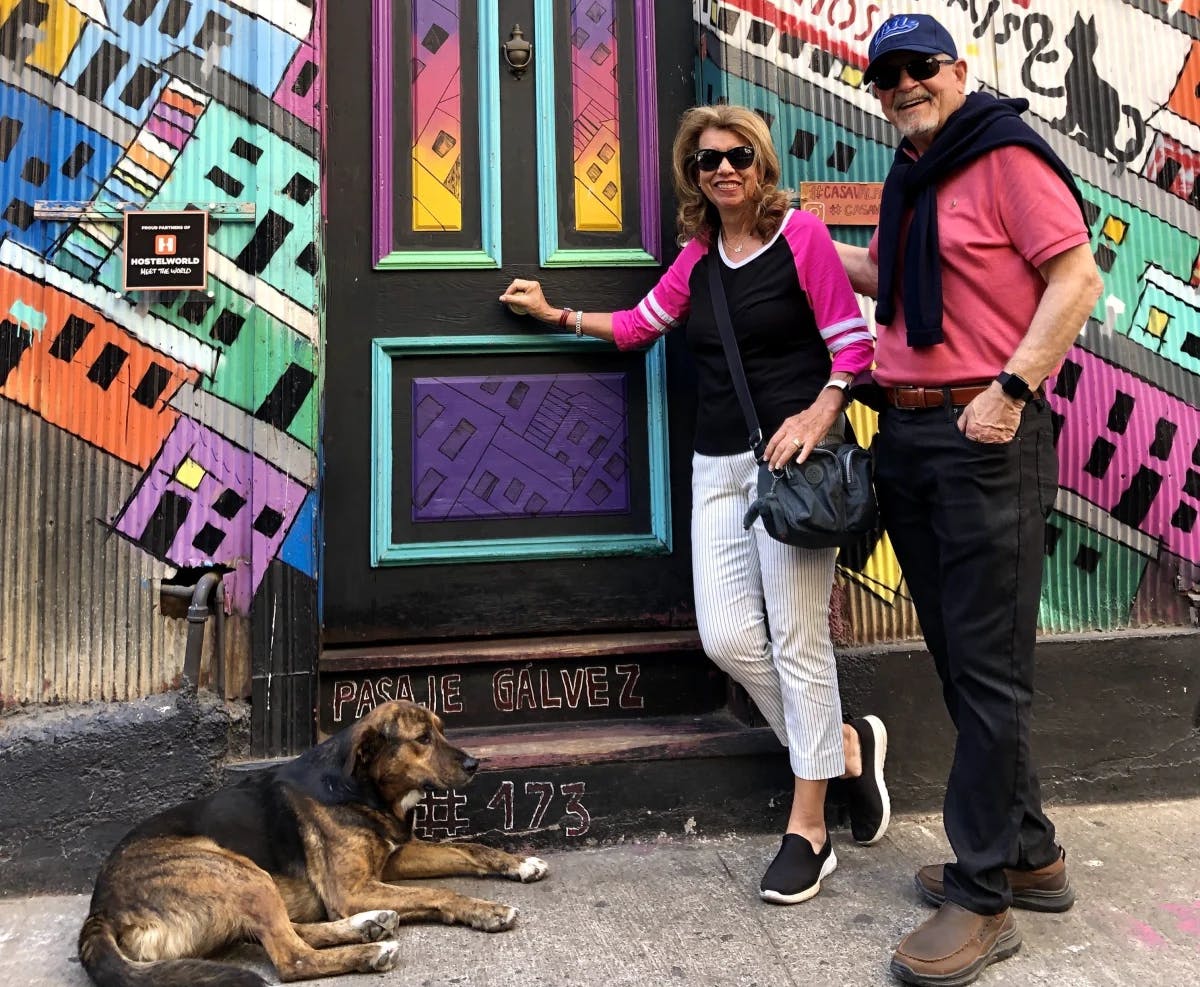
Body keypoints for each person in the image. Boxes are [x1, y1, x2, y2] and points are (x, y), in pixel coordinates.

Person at [500, 104, 889, 904]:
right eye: (708, 159)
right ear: (695, 175)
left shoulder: (803, 240)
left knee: (796, 637)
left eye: (738, 154)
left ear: (761, 161)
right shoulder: (699, 259)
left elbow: (852, 343)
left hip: (796, 465)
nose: (724, 168)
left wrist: (820, 413)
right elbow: (643, 324)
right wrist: (556, 314)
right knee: (729, 637)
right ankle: (844, 747)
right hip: (717, 467)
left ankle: (809, 828)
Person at [835, 13, 1104, 986]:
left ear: (956, 70)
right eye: (883, 74)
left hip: (985, 434)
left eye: (917, 67)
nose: (901, 83)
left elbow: (1076, 278)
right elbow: (897, 286)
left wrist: (1012, 390)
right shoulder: (912, 176)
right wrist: (796, 243)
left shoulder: (1004, 154)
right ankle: (1029, 851)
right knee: (959, 658)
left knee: (988, 671)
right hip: (908, 431)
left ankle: (984, 896)